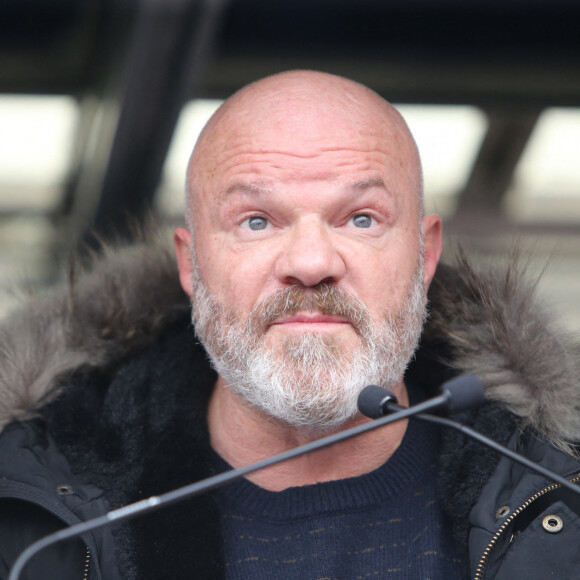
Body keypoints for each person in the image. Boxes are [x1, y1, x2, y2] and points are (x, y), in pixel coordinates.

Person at [0, 70, 579, 580]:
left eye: (360, 218)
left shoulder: (558, 486)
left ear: (424, 257)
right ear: (191, 264)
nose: (310, 263)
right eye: (256, 221)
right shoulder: (27, 512)